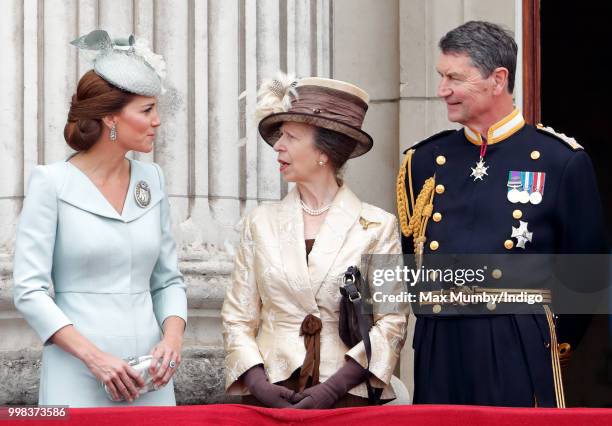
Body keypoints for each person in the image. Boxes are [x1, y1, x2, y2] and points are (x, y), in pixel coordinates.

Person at [397, 21, 608, 407]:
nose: (443, 90)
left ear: (498, 79)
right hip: (440, 343)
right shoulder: (423, 161)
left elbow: (588, 271)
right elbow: (414, 262)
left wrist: (544, 337)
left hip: (518, 344)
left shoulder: (559, 160)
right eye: (441, 77)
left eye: (455, 78)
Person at [13, 30, 187, 407]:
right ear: (110, 116)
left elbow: (168, 280)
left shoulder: (151, 179)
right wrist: (94, 358)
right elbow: (29, 291)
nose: (157, 121)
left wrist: (172, 340)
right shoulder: (51, 183)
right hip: (77, 372)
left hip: (150, 378)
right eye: (146, 110)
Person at [222, 75, 407, 408]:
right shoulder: (259, 223)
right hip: (271, 389)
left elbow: (391, 321)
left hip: (347, 394)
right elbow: (237, 317)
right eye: (280, 137)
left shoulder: (379, 226)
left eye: (291, 137)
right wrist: (257, 383)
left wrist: (333, 389)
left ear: (324, 151)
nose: (278, 146)